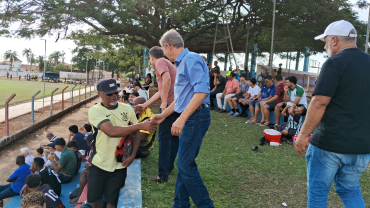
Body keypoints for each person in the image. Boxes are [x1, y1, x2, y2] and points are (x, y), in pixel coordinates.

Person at [295, 20, 370, 208]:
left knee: (318, 193)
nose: (325, 45)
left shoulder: (335, 62)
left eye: (325, 41)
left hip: (330, 143)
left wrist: (303, 135)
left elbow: (319, 101)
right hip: (362, 145)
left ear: (334, 40)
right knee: (350, 189)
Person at [152, 29, 214, 208]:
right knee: (184, 162)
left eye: (163, 50)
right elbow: (181, 99)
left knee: (185, 165)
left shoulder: (191, 59)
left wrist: (182, 118)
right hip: (192, 116)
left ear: (168, 46)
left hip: (196, 117)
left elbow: (201, 91)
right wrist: (163, 115)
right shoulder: (183, 62)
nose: (163, 54)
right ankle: (180, 204)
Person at [87, 78, 157, 208]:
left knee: (112, 200)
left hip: (120, 164)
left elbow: (135, 134)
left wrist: (132, 155)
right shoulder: (95, 111)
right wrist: (141, 125)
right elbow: (111, 131)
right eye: (109, 94)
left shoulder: (127, 109)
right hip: (99, 163)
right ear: (99, 94)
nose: (114, 96)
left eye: (116, 93)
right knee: (95, 198)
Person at [134, 46, 179, 183]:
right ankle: (168, 168)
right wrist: (145, 105)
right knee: (174, 137)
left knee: (164, 139)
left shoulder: (160, 62)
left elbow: (167, 80)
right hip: (176, 106)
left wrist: (164, 103)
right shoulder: (168, 64)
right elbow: (161, 90)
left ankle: (162, 175)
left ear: (151, 58)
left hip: (168, 107)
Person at [68, 134, 94, 206]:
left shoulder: (93, 150)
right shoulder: (93, 149)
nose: (87, 143)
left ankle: (80, 197)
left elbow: (87, 166)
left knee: (84, 172)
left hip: (100, 173)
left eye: (88, 142)